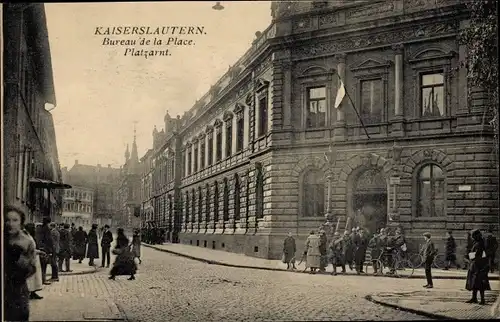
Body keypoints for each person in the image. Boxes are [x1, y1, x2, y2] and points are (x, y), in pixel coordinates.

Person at [4, 204, 37, 322]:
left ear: (21, 222)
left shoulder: (27, 241)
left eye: (15, 220)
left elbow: (32, 268)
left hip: (17, 290)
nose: (10, 224)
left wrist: (18, 259)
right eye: (7, 220)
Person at [465, 229, 491, 304]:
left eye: (473, 236)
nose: (473, 237)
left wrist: (470, 256)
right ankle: (474, 298)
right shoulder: (478, 242)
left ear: (477, 235)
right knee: (475, 282)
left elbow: (477, 254)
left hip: (479, 266)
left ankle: (482, 300)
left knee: (480, 283)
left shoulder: (480, 243)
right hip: (476, 265)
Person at [24, 223, 44, 300]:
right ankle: (29, 292)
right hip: (30, 259)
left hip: (34, 259)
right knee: (30, 277)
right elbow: (30, 250)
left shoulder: (30, 237)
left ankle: (33, 292)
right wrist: (39, 252)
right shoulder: (27, 238)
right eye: (34, 228)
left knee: (34, 277)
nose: (35, 230)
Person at [38, 217, 53, 285]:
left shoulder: (40, 228)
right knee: (44, 265)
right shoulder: (47, 229)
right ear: (48, 222)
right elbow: (49, 240)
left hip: (41, 248)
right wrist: (50, 250)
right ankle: (43, 280)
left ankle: (42, 279)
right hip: (45, 249)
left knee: (41, 265)